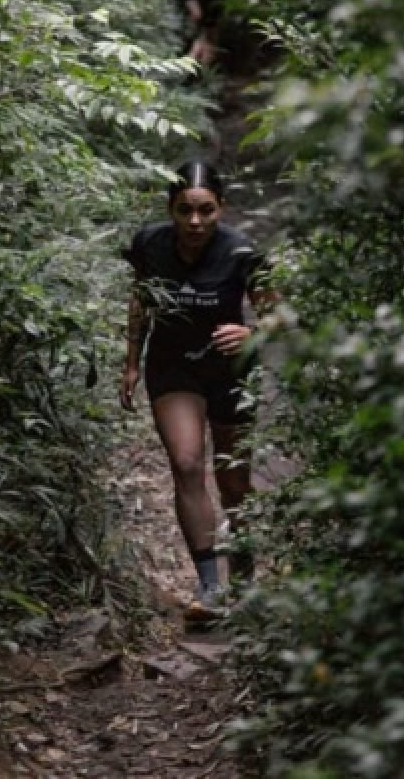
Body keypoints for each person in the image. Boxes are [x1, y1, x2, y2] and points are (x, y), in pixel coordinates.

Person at [120, 160, 272, 623]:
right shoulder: (150, 244)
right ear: (170, 209)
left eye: (205, 211)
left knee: (233, 480)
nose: (195, 222)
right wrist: (130, 362)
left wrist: (253, 335)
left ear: (220, 209)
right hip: (172, 368)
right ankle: (209, 588)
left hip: (229, 371)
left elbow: (278, 314)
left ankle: (244, 577)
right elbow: (141, 300)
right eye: (184, 210)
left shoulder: (241, 252)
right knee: (186, 463)